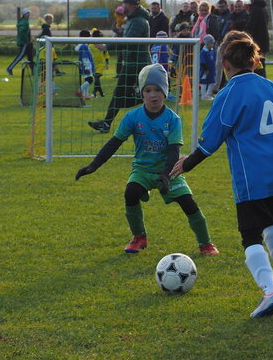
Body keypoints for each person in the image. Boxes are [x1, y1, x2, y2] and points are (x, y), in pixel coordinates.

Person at [170, 31, 273, 319]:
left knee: (250, 235)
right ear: (255, 61)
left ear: (225, 64)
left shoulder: (228, 95)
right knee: (270, 221)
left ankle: (270, 293)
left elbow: (210, 143)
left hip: (252, 176)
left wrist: (187, 164)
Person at [76, 64, 218, 256]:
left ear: (165, 92)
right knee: (131, 192)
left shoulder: (173, 119)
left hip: (169, 170)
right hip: (142, 170)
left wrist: (166, 174)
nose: (153, 95)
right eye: (148, 90)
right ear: (142, 93)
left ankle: (206, 243)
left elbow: (174, 150)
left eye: (158, 90)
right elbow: (114, 143)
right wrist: (93, 166)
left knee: (188, 202)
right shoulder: (133, 117)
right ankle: (139, 237)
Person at [88, 0, 151, 133]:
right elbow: (126, 38)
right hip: (131, 63)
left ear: (131, 5)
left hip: (138, 64)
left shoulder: (139, 21)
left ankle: (141, 99)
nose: (122, 6)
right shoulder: (132, 20)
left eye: (124, 3)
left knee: (123, 95)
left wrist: (107, 46)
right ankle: (106, 123)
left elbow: (128, 42)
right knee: (119, 94)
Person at [244, 0, 271, 77]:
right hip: (264, 41)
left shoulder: (255, 9)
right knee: (261, 64)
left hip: (257, 42)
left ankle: (261, 82)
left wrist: (244, 34)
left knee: (258, 65)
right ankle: (263, 81)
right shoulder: (263, 9)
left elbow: (251, 25)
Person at [6, 8, 33, 76]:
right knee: (20, 56)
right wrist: (26, 41)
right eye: (27, 13)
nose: (29, 14)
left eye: (29, 13)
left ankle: (33, 71)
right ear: (24, 14)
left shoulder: (25, 21)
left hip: (27, 43)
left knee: (30, 57)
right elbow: (22, 33)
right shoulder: (23, 22)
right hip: (24, 43)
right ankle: (9, 68)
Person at [76, 30, 95, 100]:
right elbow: (85, 58)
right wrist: (87, 68)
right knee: (90, 80)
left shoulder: (84, 45)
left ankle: (86, 96)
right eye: (89, 36)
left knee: (87, 80)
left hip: (85, 66)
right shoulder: (84, 46)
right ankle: (79, 91)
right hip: (86, 66)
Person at [90, 28, 109, 98]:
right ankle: (101, 93)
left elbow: (106, 55)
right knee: (96, 80)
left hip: (101, 65)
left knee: (96, 78)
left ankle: (94, 93)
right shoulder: (90, 46)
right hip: (93, 65)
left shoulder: (103, 46)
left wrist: (107, 63)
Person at [199, 34, 217, 100]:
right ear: (207, 44)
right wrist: (206, 69)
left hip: (212, 70)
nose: (212, 45)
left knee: (212, 82)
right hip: (205, 71)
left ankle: (208, 94)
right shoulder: (203, 52)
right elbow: (202, 61)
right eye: (211, 43)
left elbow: (213, 59)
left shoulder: (212, 50)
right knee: (204, 83)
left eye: (213, 43)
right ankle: (203, 96)